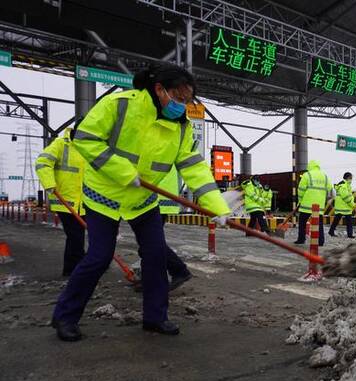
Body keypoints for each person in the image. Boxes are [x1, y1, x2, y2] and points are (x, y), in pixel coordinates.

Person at [51, 65, 230, 341]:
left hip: (143, 200)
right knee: (99, 257)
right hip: (104, 196)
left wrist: (217, 206)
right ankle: (64, 316)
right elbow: (85, 139)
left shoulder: (180, 127)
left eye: (187, 100)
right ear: (159, 89)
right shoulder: (119, 105)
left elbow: (193, 166)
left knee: (156, 255)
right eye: (178, 98)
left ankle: (155, 318)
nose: (182, 105)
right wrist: (123, 171)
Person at [131, 165, 193, 293]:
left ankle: (178, 270)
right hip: (158, 197)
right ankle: (149, 279)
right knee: (147, 243)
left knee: (151, 242)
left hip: (155, 198)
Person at [35, 128, 86, 276]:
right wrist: (49, 184)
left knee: (90, 235)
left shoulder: (88, 146)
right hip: (65, 201)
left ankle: (87, 265)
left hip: (85, 203)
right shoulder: (60, 144)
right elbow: (42, 163)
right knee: (76, 236)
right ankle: (73, 270)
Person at [294, 160, 332, 246]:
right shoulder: (325, 176)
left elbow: (301, 189)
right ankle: (320, 241)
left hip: (306, 205)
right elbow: (330, 188)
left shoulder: (307, 175)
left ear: (309, 166)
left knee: (302, 222)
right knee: (319, 223)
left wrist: (300, 200)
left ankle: (301, 239)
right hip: (319, 206)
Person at [329, 172, 355, 238]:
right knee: (349, 222)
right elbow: (346, 197)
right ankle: (350, 235)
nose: (351, 179)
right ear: (348, 178)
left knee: (337, 220)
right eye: (351, 178)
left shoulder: (345, 185)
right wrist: (352, 204)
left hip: (342, 206)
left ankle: (331, 231)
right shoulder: (343, 186)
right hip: (344, 206)